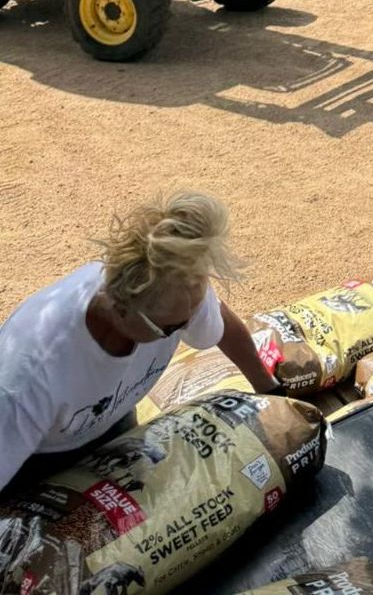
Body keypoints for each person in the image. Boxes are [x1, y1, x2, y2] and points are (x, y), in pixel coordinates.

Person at [0, 189, 280, 490]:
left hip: (110, 422)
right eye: (172, 329)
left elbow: (222, 323)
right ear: (120, 308)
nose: (189, 324)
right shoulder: (28, 378)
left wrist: (271, 392)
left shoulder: (177, 288)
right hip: (31, 459)